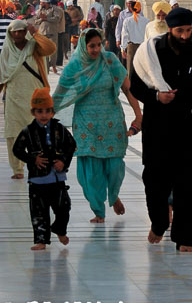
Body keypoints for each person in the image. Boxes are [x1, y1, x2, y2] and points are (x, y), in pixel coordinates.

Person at [131, 6, 192, 252]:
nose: (185, 36)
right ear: (170, 29)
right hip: (159, 124)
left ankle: (184, 237)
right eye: (180, 31)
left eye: (188, 30)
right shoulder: (149, 52)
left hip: (189, 124)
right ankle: (158, 221)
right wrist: (157, 97)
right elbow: (136, 86)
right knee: (155, 179)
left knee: (187, 182)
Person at [53, 28, 142, 222]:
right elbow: (60, 93)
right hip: (86, 123)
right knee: (91, 169)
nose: (95, 50)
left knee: (114, 165)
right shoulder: (75, 65)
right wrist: (45, 113)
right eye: (91, 46)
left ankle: (114, 193)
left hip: (111, 120)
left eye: (98, 45)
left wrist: (138, 114)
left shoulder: (109, 60)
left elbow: (128, 88)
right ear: (83, 46)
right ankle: (98, 211)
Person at [12, 86, 76, 250]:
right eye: (39, 111)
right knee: (39, 212)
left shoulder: (59, 129)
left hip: (57, 178)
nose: (44, 115)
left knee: (64, 206)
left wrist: (63, 160)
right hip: (37, 179)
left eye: (47, 111)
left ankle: (59, 229)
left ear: (53, 112)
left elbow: (71, 145)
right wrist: (33, 159)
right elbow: (17, 149)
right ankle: (41, 240)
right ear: (33, 112)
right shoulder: (28, 131)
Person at [0, 19, 56, 178]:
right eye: (14, 32)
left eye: (21, 31)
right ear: (10, 34)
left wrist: (36, 33)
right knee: (12, 134)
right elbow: (1, 75)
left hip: (35, 97)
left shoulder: (34, 46)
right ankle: (17, 169)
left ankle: (40, 163)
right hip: (13, 97)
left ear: (25, 32)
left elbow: (51, 48)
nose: (17, 34)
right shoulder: (7, 51)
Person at [120, 2, 149, 77]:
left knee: (130, 68)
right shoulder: (146, 21)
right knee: (142, 68)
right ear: (140, 9)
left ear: (131, 9)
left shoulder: (127, 20)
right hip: (143, 47)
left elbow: (124, 35)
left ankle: (130, 86)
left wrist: (123, 48)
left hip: (131, 46)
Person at [36, 0, 61, 73]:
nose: (40, 4)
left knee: (53, 50)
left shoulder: (54, 9)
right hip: (43, 33)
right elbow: (36, 21)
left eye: (41, 2)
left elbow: (57, 19)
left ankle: (53, 65)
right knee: (44, 50)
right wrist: (41, 19)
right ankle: (46, 67)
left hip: (52, 32)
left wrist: (47, 18)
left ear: (45, 3)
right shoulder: (40, 10)